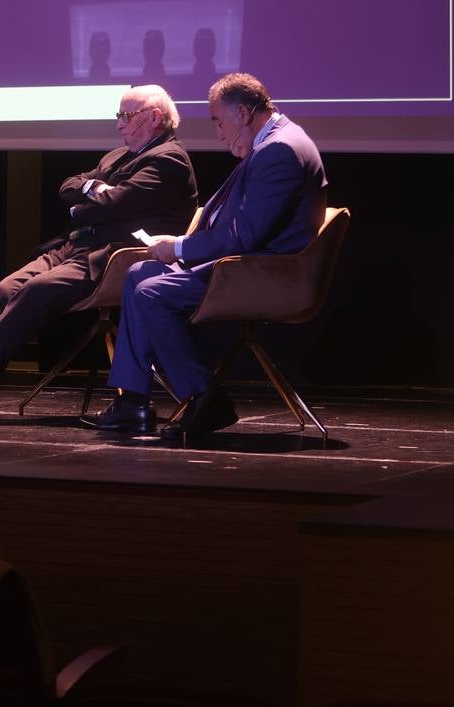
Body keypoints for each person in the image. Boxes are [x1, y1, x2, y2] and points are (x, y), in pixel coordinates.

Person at [0, 85, 197, 422]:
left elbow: (113, 204)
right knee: (5, 289)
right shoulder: (115, 157)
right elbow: (68, 185)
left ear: (154, 118)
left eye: (126, 116)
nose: (119, 124)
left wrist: (86, 205)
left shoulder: (169, 159)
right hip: (75, 245)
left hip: (112, 256)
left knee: (37, 290)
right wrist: (92, 190)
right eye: (118, 116)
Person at [86, 72, 327, 438]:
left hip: (264, 273)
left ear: (243, 113)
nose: (217, 133)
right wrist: (179, 245)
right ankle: (133, 401)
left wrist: (180, 247)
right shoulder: (271, 142)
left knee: (152, 292)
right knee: (139, 273)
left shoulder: (280, 150)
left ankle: (205, 397)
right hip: (244, 263)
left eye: (218, 121)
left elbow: (244, 236)